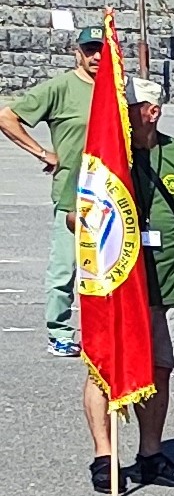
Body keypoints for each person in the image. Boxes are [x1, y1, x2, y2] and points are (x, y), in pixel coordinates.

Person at [86, 78, 174, 494]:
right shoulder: (104, 155)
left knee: (160, 368)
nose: (120, 115)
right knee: (105, 369)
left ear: (152, 112)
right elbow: (74, 216)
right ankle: (105, 457)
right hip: (117, 282)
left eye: (128, 108)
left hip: (171, 280)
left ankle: (150, 454)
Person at [0, 30, 110, 357]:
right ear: (78, 52)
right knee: (65, 268)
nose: (96, 57)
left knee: (110, 267)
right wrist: (42, 152)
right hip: (72, 193)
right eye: (90, 50)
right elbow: (7, 117)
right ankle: (59, 333)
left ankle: (106, 333)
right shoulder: (61, 88)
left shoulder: (118, 89)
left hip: (113, 193)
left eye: (102, 50)